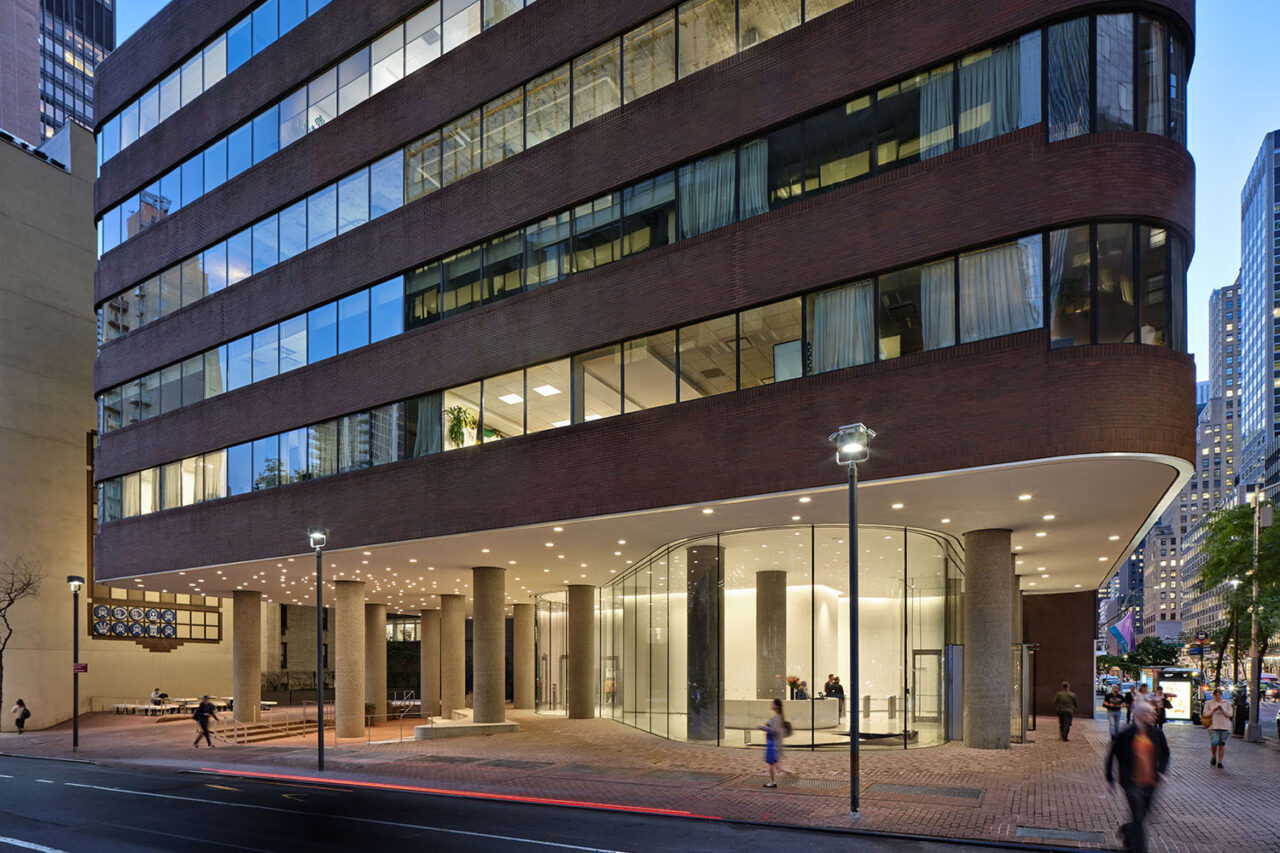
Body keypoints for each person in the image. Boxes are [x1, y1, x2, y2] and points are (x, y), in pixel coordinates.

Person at [1105, 700, 1169, 853]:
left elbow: (1166, 753)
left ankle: (1128, 832)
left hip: (1151, 782)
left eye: (1154, 713)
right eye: (1149, 713)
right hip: (1131, 782)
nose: (1153, 716)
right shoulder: (1125, 734)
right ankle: (1139, 849)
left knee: (1142, 816)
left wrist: (1161, 770)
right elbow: (1111, 756)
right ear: (1139, 715)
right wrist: (1109, 779)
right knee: (1138, 818)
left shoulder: (1157, 733)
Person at [760, 698, 791, 788]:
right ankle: (784, 772)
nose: (771, 705)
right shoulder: (778, 716)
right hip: (772, 743)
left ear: (776, 706)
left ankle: (773, 781)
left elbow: (774, 730)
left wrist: (763, 728)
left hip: (772, 743)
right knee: (774, 763)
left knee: (771, 763)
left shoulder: (777, 717)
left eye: (773, 703)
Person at [1203, 687, 1232, 769]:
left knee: (1221, 744)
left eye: (1219, 695)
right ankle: (1213, 756)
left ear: (1221, 695)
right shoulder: (1209, 703)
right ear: (1213, 695)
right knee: (1214, 743)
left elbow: (1230, 714)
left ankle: (1220, 761)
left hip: (1224, 726)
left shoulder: (1226, 703)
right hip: (1213, 726)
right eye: (1216, 695)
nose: (1218, 697)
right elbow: (1205, 714)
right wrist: (1213, 710)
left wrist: (1223, 710)